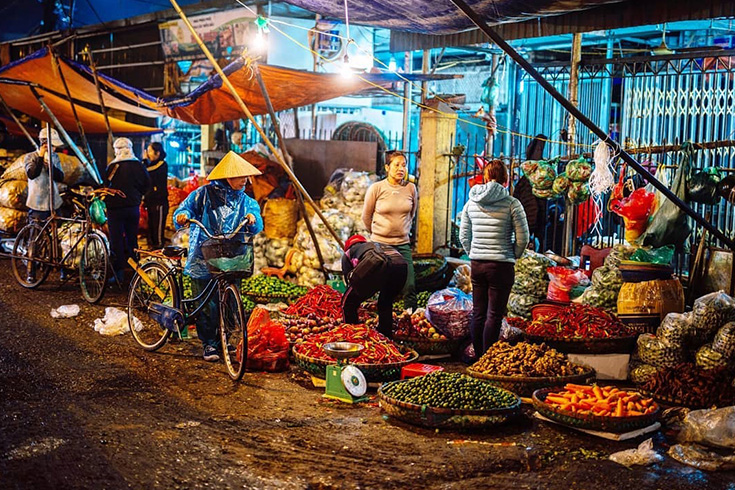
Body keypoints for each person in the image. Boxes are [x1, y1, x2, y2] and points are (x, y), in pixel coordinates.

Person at [173, 151, 263, 362]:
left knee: (231, 301)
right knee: (206, 304)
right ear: (228, 177)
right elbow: (183, 210)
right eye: (241, 176)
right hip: (203, 255)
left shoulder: (245, 200)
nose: (245, 181)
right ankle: (209, 344)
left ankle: (226, 339)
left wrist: (252, 218)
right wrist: (183, 216)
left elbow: (257, 221)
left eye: (246, 176)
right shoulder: (202, 194)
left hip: (232, 256)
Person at [459, 159, 529, 358]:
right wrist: (513, 253)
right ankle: (487, 359)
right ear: (506, 180)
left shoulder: (471, 202)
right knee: (494, 314)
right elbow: (523, 237)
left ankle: (478, 356)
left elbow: (463, 236)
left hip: (477, 265)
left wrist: (474, 252)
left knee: (478, 312)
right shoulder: (512, 203)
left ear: (486, 177)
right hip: (501, 265)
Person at [362, 150, 417, 310]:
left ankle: (411, 320)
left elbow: (412, 214)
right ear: (387, 167)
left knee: (410, 285)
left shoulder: (411, 188)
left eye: (404, 165)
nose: (401, 169)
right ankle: (379, 321)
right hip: (381, 245)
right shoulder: (376, 188)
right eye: (397, 165)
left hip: (402, 245)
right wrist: (377, 235)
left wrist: (403, 230)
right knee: (382, 285)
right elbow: (366, 216)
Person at [341, 234, 407, 338]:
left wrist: (359, 299)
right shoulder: (373, 245)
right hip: (401, 265)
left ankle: (352, 337)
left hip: (378, 262)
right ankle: (386, 338)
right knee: (385, 303)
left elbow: (351, 283)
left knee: (348, 302)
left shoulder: (348, 254)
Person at [105, 138, 151, 283]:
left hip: (115, 209)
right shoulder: (138, 165)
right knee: (132, 239)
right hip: (132, 208)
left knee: (116, 240)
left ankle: (118, 273)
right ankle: (135, 272)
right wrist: (137, 195)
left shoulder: (112, 167)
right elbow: (147, 184)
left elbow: (105, 186)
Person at [23, 127, 66, 282]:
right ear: (43, 143)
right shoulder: (30, 157)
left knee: (60, 236)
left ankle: (63, 269)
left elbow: (61, 176)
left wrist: (51, 167)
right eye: (51, 145)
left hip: (54, 202)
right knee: (34, 239)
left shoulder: (55, 157)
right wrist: (41, 158)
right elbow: (32, 173)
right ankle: (31, 272)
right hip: (37, 203)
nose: (54, 148)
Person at [142, 142, 169, 250]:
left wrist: (144, 161)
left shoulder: (162, 164)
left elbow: (146, 172)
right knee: (151, 228)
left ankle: (159, 249)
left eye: (149, 151)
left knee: (158, 229)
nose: (148, 154)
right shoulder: (151, 165)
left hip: (159, 202)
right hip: (151, 202)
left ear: (157, 153)